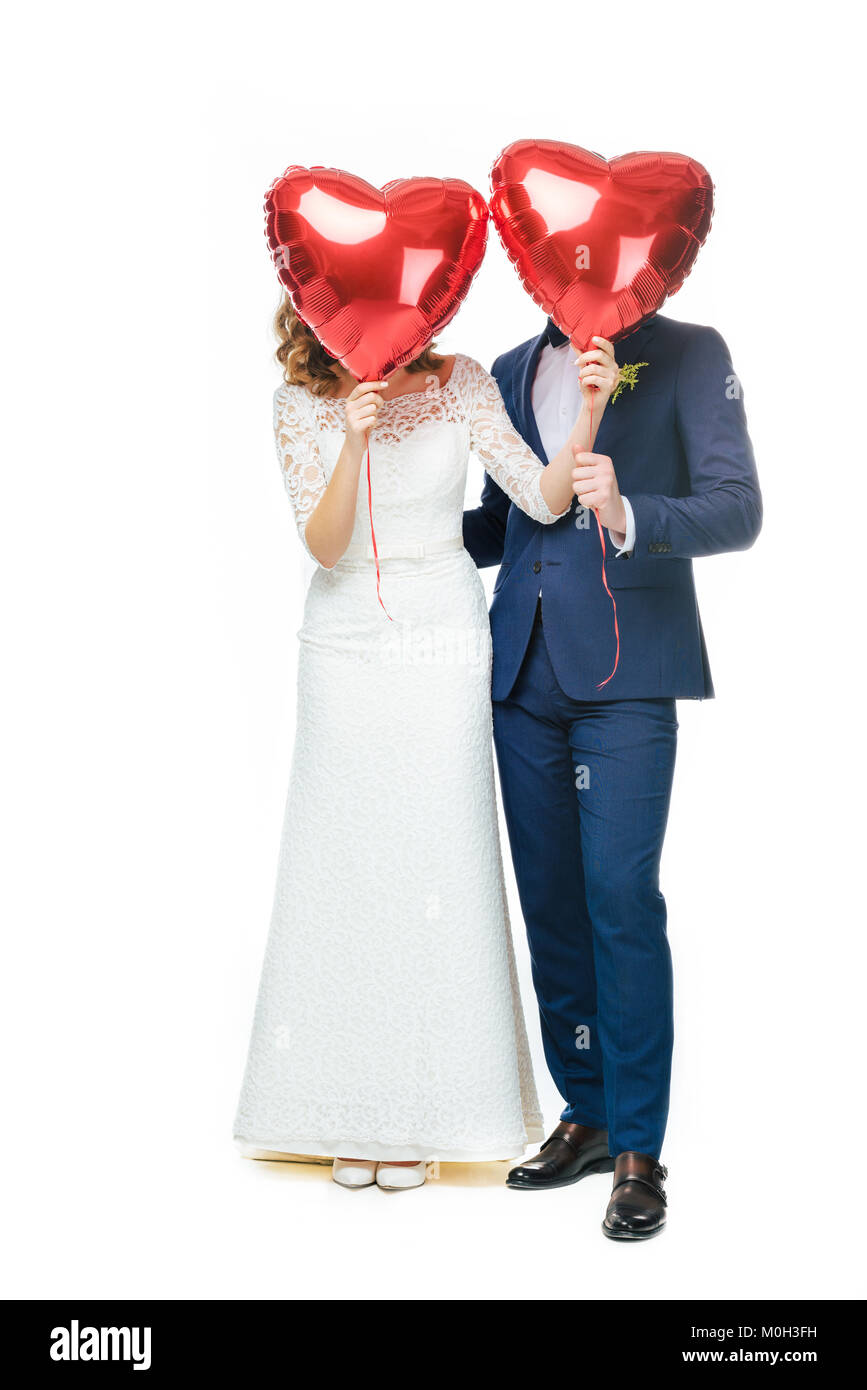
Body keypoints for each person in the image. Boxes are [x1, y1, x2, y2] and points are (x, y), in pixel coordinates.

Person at [233, 296, 620, 1191]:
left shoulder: (462, 382)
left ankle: (426, 1110)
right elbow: (324, 546)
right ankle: (343, 1107)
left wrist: (590, 413)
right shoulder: (299, 398)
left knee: (433, 860)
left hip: (442, 637)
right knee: (345, 863)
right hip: (343, 643)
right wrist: (356, 437)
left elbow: (542, 495)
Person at [463, 313, 761, 1238]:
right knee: (550, 901)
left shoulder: (688, 352)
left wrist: (627, 510)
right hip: (519, 674)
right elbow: (500, 522)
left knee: (619, 897)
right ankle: (584, 1116)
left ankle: (638, 1148)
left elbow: (737, 507)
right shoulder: (512, 366)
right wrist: (395, 501)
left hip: (628, 678)